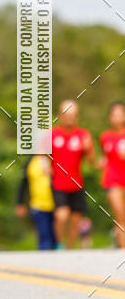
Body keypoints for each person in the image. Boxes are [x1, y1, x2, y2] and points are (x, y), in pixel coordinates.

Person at [50, 100, 94, 249]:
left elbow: (91, 161)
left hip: (76, 183)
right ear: (60, 115)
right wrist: (44, 166)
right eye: (66, 115)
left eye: (72, 115)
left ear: (77, 116)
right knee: (62, 215)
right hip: (58, 183)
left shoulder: (83, 135)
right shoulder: (52, 134)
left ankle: (69, 249)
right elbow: (43, 157)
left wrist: (88, 149)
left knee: (76, 219)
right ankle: (59, 245)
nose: (69, 118)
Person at [98, 101, 125, 249]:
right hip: (112, 180)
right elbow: (105, 156)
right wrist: (101, 162)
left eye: (120, 114)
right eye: (114, 115)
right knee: (120, 216)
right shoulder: (105, 136)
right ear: (110, 117)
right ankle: (122, 251)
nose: (117, 118)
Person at [15, 154, 55, 249]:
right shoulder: (30, 162)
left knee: (54, 237)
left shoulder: (53, 160)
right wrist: (20, 203)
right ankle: (44, 257)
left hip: (55, 204)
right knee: (44, 235)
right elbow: (23, 183)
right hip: (37, 205)